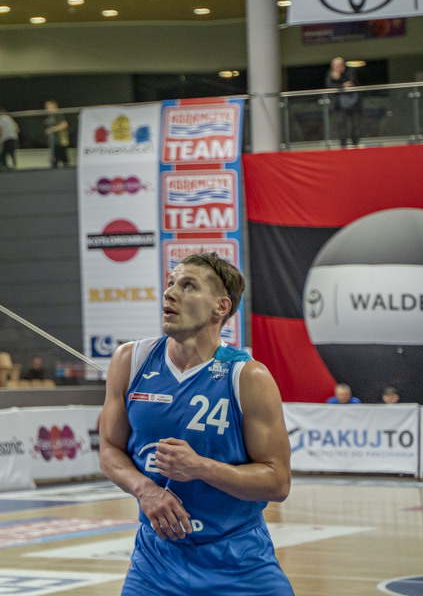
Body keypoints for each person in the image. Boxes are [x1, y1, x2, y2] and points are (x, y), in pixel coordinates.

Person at [98, 252, 292, 596]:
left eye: (188, 286)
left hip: (238, 558)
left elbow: (278, 482)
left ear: (221, 306)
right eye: (171, 283)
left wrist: (200, 467)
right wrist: (145, 490)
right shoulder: (130, 360)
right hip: (156, 562)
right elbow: (109, 449)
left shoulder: (249, 377)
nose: (170, 293)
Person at [326, 57, 361, 147]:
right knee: (341, 125)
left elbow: (351, 83)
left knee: (355, 125)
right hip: (339, 105)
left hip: (354, 103)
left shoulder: (350, 71)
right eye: (335, 65)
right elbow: (329, 85)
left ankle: (355, 144)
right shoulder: (330, 73)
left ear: (343, 65)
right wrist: (341, 85)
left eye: (339, 65)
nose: (337, 67)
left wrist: (339, 78)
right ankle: (343, 145)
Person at [43, 100, 70, 168]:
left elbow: (64, 124)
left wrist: (52, 129)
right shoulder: (50, 116)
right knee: (55, 160)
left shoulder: (58, 115)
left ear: (54, 107)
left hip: (60, 142)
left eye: (49, 107)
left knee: (62, 160)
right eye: (46, 107)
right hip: (53, 142)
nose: (47, 109)